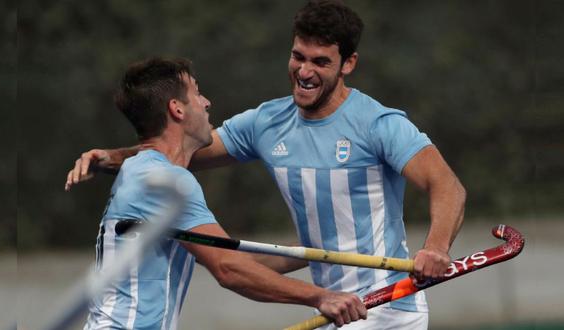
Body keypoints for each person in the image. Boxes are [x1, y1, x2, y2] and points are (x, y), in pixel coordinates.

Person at [67, 1, 466, 329]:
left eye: (321, 62)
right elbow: (176, 149)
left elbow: (447, 186)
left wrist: (435, 247)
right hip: (333, 310)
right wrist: (114, 157)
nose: (305, 72)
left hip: (388, 310)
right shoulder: (263, 124)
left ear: (348, 64)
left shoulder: (380, 124)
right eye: (298, 57)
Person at [82, 57, 367, 329]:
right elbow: (229, 269)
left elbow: (239, 262)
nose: (207, 102)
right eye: (197, 93)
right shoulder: (163, 179)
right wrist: (321, 297)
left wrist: (325, 248)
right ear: (177, 109)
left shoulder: (141, 171)